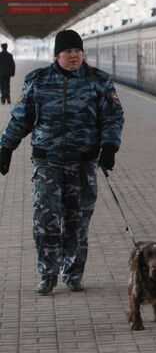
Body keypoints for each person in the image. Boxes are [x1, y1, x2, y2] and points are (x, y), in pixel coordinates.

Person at [0, 30, 124, 294]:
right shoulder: (38, 80)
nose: (74, 56)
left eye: (78, 51)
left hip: (83, 164)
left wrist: (110, 146)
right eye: (68, 52)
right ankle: (47, 274)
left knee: (77, 221)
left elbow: (112, 117)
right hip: (48, 164)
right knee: (46, 221)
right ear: (57, 55)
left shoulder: (99, 81)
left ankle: (73, 273)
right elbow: (21, 118)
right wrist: (6, 147)